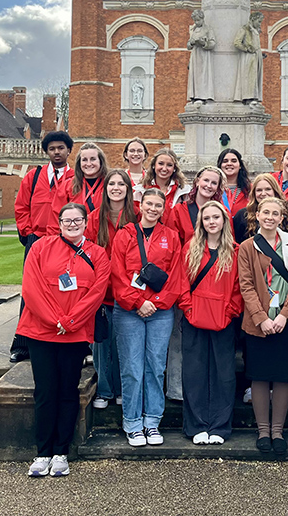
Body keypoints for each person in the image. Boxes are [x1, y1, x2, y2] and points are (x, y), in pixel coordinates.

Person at [17, 202, 110, 478]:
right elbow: (31, 287)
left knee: (68, 391)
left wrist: (70, 321)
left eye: (77, 220)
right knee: (45, 391)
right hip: (41, 331)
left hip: (75, 332)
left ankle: (61, 452)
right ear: (59, 222)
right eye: (67, 220)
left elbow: (96, 292)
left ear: (85, 222)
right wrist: (54, 319)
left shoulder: (98, 253)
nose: (72, 224)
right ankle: (42, 451)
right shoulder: (41, 247)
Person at [110, 189, 185, 446]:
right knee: (132, 368)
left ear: (164, 209)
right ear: (142, 206)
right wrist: (137, 301)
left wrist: (155, 303)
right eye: (149, 204)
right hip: (129, 311)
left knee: (155, 367)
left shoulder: (171, 237)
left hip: (160, 312)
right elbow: (117, 274)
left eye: (158, 205)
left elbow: (176, 276)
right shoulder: (125, 235)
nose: (153, 209)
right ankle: (132, 422)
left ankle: (152, 421)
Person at [237, 196, 288, 458]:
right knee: (260, 375)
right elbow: (246, 285)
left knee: (283, 375)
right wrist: (261, 317)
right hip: (258, 321)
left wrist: (285, 315)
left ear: (282, 217)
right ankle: (263, 430)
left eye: (275, 213)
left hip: (284, 321)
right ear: (257, 214)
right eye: (266, 212)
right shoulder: (246, 247)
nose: (270, 217)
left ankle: (278, 430)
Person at [177, 201, 243, 444]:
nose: (212, 222)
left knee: (223, 375)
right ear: (201, 222)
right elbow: (181, 283)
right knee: (194, 374)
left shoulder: (235, 250)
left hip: (223, 320)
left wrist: (230, 312)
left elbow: (239, 287)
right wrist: (189, 308)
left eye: (217, 217)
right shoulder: (190, 248)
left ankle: (219, 426)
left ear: (224, 221)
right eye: (207, 218)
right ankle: (196, 426)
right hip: (195, 318)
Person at [10, 130, 74, 363]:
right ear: (46, 152)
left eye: (61, 148)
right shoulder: (34, 176)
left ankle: (71, 340)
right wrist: (28, 233)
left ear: (69, 150)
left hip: (65, 240)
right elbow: (21, 207)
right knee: (30, 291)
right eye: (52, 149)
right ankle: (22, 344)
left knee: (68, 290)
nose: (56, 152)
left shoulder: (74, 177)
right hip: (37, 239)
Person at [164, 165, 226, 402]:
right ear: (197, 180)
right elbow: (172, 246)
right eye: (206, 180)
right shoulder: (180, 210)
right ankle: (177, 390)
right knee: (179, 338)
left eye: (214, 183)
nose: (209, 186)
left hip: (212, 284)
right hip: (185, 279)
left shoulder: (219, 211)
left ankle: (202, 389)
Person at [85, 170, 138, 410]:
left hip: (128, 292)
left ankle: (120, 390)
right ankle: (105, 390)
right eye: (112, 184)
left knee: (123, 346)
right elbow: (86, 254)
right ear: (105, 188)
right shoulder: (95, 218)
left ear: (128, 188)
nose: (116, 188)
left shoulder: (137, 215)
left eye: (121, 184)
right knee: (101, 345)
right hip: (102, 292)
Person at [48, 143, 109, 232]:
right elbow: (55, 219)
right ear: (79, 163)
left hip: (105, 239)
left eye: (93, 159)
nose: (88, 164)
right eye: (84, 160)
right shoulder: (67, 186)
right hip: (75, 240)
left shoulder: (111, 185)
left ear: (100, 161)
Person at [233, 173, 288, 243]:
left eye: (268, 189)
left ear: (275, 191)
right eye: (259, 190)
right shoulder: (242, 215)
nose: (263, 193)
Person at [217, 148, 250, 216]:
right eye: (225, 161)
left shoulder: (250, 189)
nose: (229, 163)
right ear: (220, 165)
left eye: (234, 161)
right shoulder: (214, 189)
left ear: (240, 165)